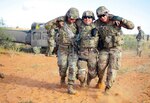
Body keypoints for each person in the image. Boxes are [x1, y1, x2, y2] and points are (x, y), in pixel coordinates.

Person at [94, 6, 134, 94]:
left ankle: (107, 88)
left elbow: (131, 26)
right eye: (99, 16)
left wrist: (122, 20)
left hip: (116, 49)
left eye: (103, 15)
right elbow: (88, 26)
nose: (102, 17)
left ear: (107, 13)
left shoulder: (115, 19)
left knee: (112, 69)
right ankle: (100, 80)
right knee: (100, 68)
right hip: (104, 49)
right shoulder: (97, 23)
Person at [45, 7, 79, 94]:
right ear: (67, 16)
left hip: (73, 49)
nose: (72, 20)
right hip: (62, 49)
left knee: (72, 67)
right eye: (71, 18)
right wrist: (57, 21)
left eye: (74, 19)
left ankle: (70, 87)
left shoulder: (78, 23)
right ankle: (62, 78)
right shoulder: (61, 21)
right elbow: (47, 26)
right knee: (62, 66)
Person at [75, 11, 99, 87]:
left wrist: (116, 19)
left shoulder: (97, 24)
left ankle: (88, 81)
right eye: (85, 17)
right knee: (81, 74)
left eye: (89, 17)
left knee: (93, 74)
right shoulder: (79, 24)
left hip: (93, 54)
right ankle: (82, 83)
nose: (87, 19)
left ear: (93, 18)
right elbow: (72, 16)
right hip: (82, 54)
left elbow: (106, 17)